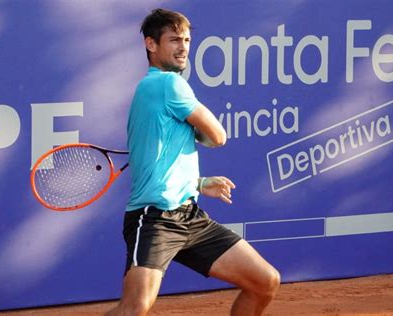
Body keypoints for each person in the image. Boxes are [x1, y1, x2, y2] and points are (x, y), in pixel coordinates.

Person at [106, 8, 280, 316]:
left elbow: (159, 157)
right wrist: (200, 133)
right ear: (151, 44)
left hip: (190, 216)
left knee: (264, 280)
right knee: (134, 309)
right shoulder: (167, 85)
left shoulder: (152, 90)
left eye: (186, 39)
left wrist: (198, 183)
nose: (183, 47)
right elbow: (218, 135)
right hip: (156, 218)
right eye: (174, 40)